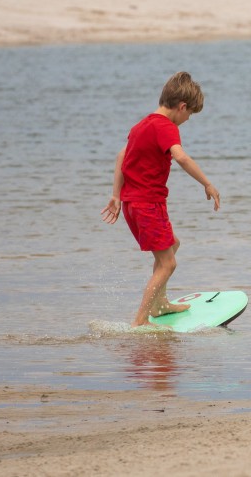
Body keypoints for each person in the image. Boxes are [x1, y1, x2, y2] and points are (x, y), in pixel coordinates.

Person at [101, 72, 222, 327]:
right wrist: (207, 183)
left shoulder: (141, 125)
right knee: (168, 263)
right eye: (189, 115)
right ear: (182, 107)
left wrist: (115, 195)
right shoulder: (165, 127)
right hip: (147, 204)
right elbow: (181, 157)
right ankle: (140, 321)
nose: (187, 121)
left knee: (172, 245)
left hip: (134, 204)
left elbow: (121, 156)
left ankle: (160, 304)